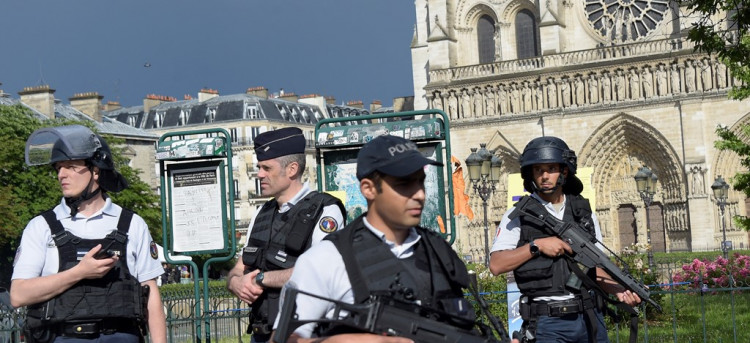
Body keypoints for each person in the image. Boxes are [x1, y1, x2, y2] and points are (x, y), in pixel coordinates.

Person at [271, 135, 491, 343]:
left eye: (420, 182)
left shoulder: (437, 250)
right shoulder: (327, 259)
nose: (419, 194)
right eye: (404, 185)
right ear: (368, 189)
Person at [10, 124, 166, 343]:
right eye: (58, 168)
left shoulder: (133, 224)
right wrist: (79, 272)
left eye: (71, 166)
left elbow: (150, 296)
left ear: (95, 170)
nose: (61, 175)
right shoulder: (41, 226)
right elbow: (18, 295)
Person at [489, 136, 640, 343]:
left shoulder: (583, 212)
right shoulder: (518, 215)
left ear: (564, 171)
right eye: (538, 170)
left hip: (589, 318)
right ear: (530, 174)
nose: (544, 176)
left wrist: (620, 290)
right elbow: (496, 265)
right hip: (548, 322)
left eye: (551, 168)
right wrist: (536, 246)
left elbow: (595, 265)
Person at [226, 127, 345, 343]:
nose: (259, 174)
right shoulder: (262, 214)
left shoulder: (325, 211)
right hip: (261, 334)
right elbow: (240, 266)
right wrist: (235, 282)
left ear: (292, 169)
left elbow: (320, 273)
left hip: (302, 335)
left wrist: (260, 279)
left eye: (266, 168)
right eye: (259, 167)